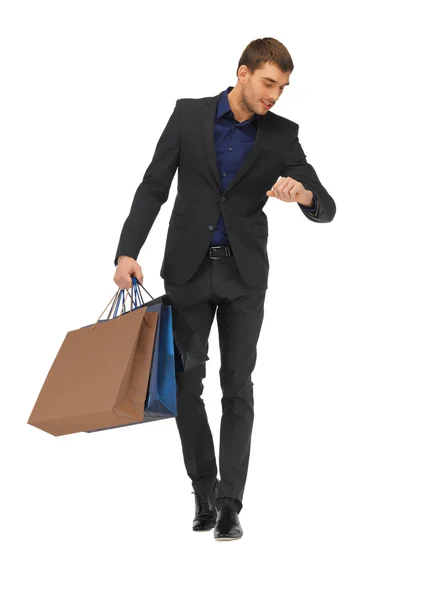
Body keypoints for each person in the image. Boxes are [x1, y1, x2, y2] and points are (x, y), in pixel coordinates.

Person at [113, 37, 336, 541]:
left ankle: (231, 505)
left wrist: (303, 196)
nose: (274, 96)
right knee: (186, 388)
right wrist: (127, 251)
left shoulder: (281, 134)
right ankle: (203, 492)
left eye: (282, 87)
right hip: (187, 275)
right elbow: (153, 186)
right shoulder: (188, 116)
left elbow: (325, 201)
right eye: (268, 83)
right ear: (242, 73)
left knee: (238, 388)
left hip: (243, 279)